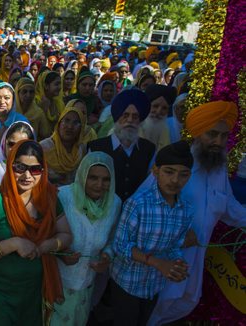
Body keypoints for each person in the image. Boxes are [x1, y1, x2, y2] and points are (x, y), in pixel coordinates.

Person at [148, 101, 246, 325]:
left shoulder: (219, 168)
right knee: (152, 312)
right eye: (212, 134)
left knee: (182, 306)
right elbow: (145, 208)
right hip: (162, 264)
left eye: (223, 136)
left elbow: (231, 210)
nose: (218, 142)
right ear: (198, 132)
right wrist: (179, 235)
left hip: (195, 265)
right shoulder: (175, 166)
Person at [0, 139, 72, 325]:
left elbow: (66, 235)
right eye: (20, 167)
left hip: (33, 292)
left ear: (43, 170)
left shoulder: (49, 199)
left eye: (35, 169)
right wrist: (13, 244)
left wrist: (47, 245)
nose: (27, 175)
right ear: (10, 166)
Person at [111, 141, 195, 326]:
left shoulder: (185, 209)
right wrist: (158, 263)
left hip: (153, 286)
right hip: (127, 284)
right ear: (155, 171)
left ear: (189, 177)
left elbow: (174, 246)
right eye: (169, 171)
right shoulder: (138, 204)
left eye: (183, 174)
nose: (175, 180)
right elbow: (120, 245)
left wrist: (176, 264)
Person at [52, 152, 121, 326]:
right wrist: (61, 253)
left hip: (86, 286)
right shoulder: (63, 196)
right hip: (57, 283)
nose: (99, 185)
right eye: (93, 177)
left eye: (106, 179)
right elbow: (46, 235)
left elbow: (113, 240)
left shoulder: (114, 204)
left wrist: (106, 256)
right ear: (82, 175)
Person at [88, 89, 155, 201]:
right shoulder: (96, 147)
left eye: (135, 116)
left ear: (140, 120)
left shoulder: (149, 149)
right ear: (117, 117)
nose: (129, 120)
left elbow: (150, 185)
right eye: (125, 115)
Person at [41, 107, 87, 186]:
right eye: (66, 120)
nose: (70, 127)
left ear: (81, 128)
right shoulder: (43, 148)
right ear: (59, 124)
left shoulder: (82, 150)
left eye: (75, 123)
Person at [140, 84, 177, 151]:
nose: (158, 112)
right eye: (155, 106)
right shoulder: (133, 128)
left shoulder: (172, 130)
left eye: (164, 108)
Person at [34, 71, 65, 138]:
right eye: (56, 84)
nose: (60, 87)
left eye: (60, 84)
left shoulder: (58, 103)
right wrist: (43, 109)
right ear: (46, 86)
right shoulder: (36, 101)